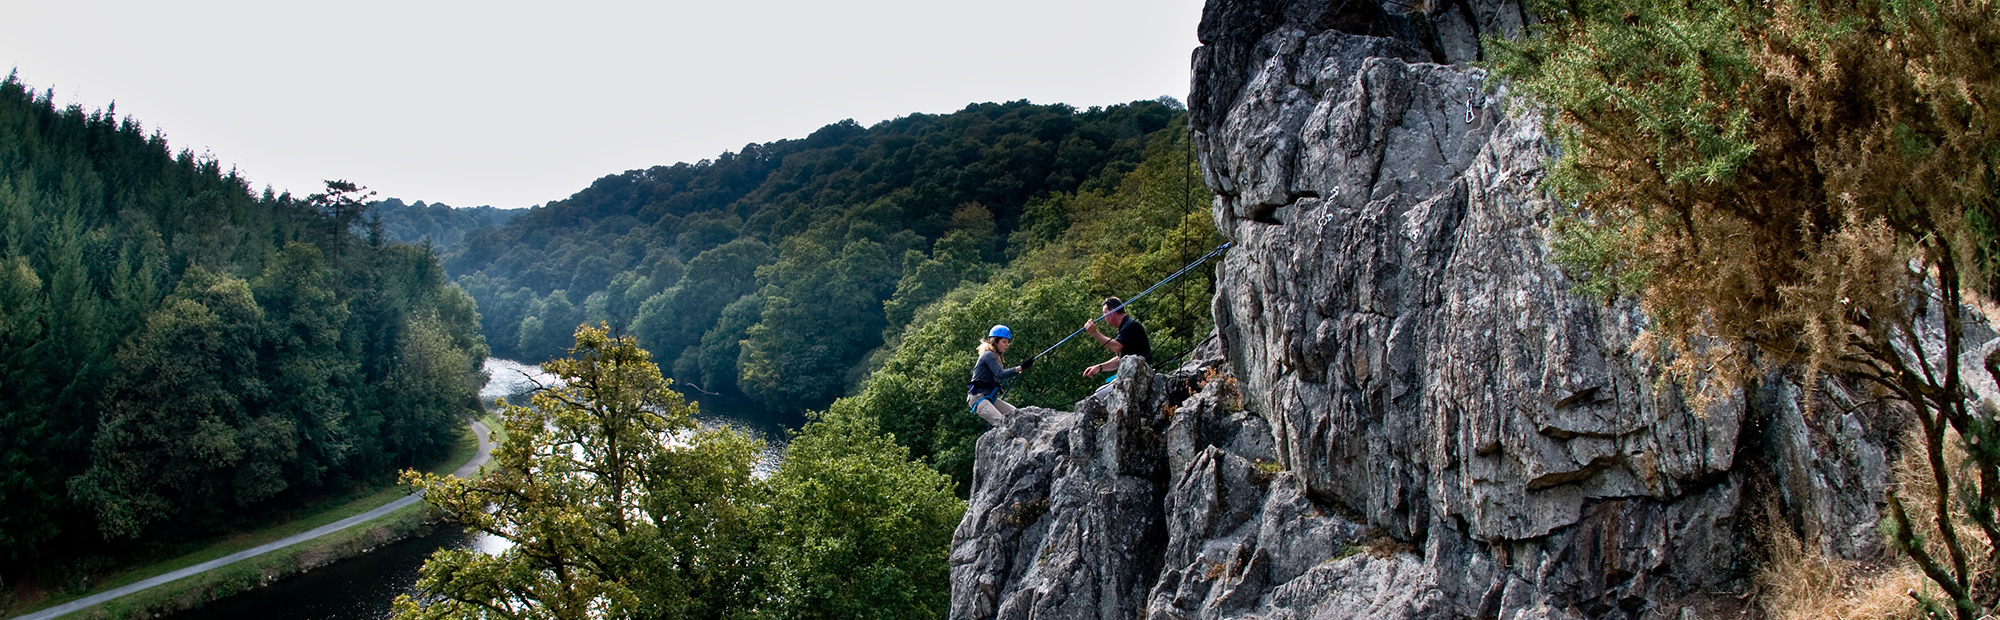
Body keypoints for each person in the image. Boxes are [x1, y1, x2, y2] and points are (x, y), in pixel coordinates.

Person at [968, 324, 1033, 426]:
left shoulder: (994, 356)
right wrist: (1020, 368)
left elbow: (998, 376)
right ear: (995, 341)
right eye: (1004, 342)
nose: (1007, 345)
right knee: (1001, 423)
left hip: (989, 397)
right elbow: (1000, 374)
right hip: (978, 398)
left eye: (1008, 342)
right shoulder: (988, 355)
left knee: (1018, 415)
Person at [1082, 297, 1151, 380]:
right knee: (1100, 392)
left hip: (1141, 373)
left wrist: (1095, 333)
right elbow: (1119, 360)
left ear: (1113, 312)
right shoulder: (1124, 326)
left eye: (1105, 313)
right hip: (1134, 373)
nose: (1104, 317)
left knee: (1101, 393)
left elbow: (1116, 347)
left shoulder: (1130, 325)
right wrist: (1099, 367)